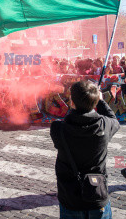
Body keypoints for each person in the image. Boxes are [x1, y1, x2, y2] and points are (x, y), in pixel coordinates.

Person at [50, 80, 120, 218]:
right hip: (97, 194)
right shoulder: (104, 125)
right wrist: (100, 101)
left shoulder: (58, 128)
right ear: (95, 102)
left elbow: (69, 119)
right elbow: (114, 119)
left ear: (71, 102)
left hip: (70, 197)